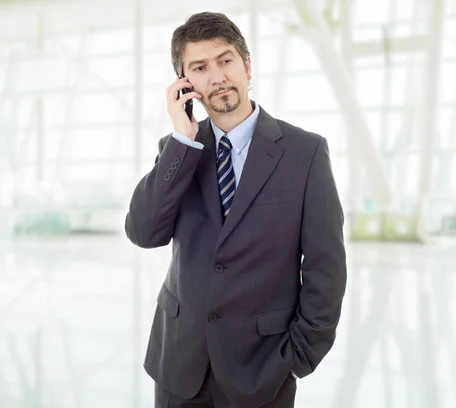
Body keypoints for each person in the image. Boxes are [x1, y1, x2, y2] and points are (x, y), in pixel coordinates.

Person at [125, 11, 347, 408]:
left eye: (225, 60)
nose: (217, 76)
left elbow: (325, 268)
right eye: (200, 67)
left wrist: (297, 358)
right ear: (185, 84)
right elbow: (143, 232)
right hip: (180, 365)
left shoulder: (306, 153)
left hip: (263, 370)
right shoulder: (178, 150)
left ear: (247, 66)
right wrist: (183, 140)